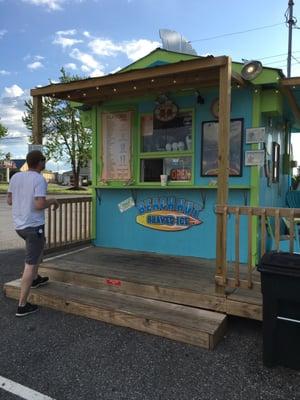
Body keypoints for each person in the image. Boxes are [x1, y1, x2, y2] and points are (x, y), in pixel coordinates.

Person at [7, 150, 59, 317]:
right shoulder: (39, 179)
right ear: (40, 162)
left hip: (20, 226)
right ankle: (22, 305)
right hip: (33, 227)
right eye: (44, 161)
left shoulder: (15, 177)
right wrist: (52, 201)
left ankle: (35, 279)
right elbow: (39, 204)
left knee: (40, 244)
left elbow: (9, 200)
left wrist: (22, 201)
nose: (45, 163)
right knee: (30, 263)